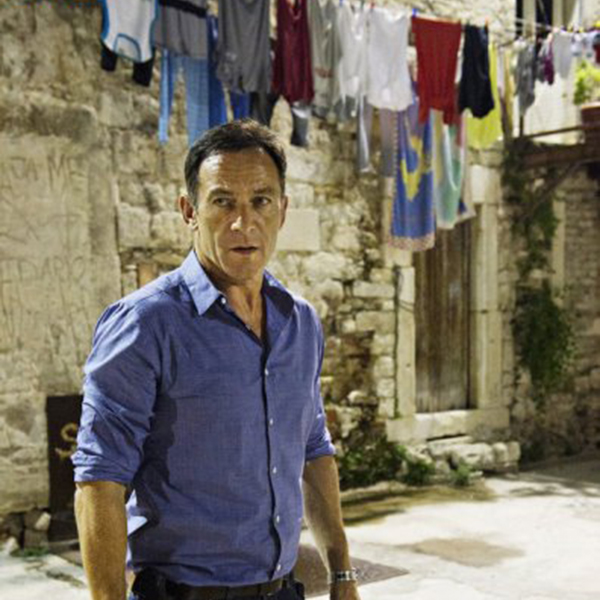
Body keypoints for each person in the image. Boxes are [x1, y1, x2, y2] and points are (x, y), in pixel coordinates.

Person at [72, 119, 362, 600]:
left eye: (261, 201)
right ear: (190, 211)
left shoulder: (300, 322)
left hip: (283, 590)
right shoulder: (145, 324)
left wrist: (342, 573)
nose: (243, 223)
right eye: (223, 201)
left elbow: (313, 448)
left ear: (282, 210)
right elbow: (100, 478)